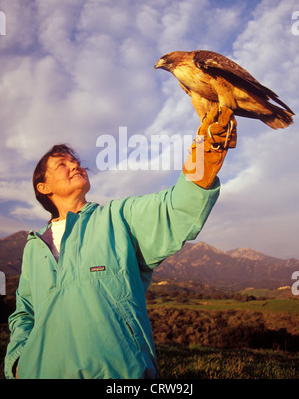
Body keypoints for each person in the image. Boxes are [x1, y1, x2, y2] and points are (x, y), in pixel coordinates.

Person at [5, 107, 236, 379]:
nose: (75, 165)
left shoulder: (117, 218)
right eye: (62, 165)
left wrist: (206, 152)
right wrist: (18, 362)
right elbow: (25, 312)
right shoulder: (34, 247)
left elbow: (173, 208)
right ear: (43, 187)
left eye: (74, 161)